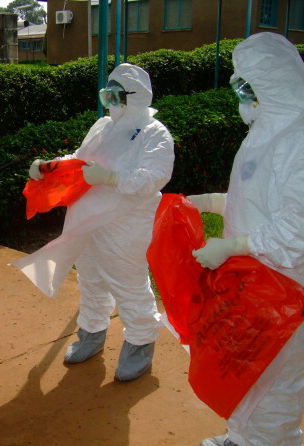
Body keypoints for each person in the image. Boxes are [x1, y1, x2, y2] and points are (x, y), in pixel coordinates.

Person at [20, 63, 174, 380]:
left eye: (116, 96)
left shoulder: (154, 132)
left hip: (125, 224)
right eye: (107, 95)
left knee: (128, 284)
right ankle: (91, 332)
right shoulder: (103, 126)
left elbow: (155, 176)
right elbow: (80, 160)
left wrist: (112, 178)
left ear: (135, 96)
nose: (111, 103)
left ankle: (140, 342)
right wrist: (51, 166)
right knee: (90, 279)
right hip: (87, 218)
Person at [189, 32, 304, 446]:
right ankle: (241, 439)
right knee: (243, 373)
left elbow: (297, 229)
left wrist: (233, 246)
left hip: (286, 288)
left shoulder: (298, 138)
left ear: (272, 83)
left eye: (247, 84)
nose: (240, 92)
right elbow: (256, 202)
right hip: (251, 282)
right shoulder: (264, 131)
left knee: (274, 388)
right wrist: (209, 202)